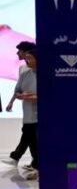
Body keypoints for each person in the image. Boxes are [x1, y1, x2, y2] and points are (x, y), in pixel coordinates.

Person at [3, 41, 35, 169]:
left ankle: (16, 157)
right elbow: (19, 88)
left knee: (29, 133)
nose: (17, 53)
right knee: (30, 135)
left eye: (20, 51)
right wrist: (12, 101)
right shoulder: (23, 69)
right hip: (27, 107)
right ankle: (35, 162)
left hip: (37, 108)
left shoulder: (40, 69)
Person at [10, 46, 37, 180]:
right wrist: (21, 96)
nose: (27, 60)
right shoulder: (25, 73)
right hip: (28, 114)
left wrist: (34, 97)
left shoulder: (46, 75)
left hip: (40, 115)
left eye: (30, 58)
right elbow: (17, 91)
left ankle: (17, 157)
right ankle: (35, 166)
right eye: (27, 58)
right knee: (31, 140)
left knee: (33, 140)